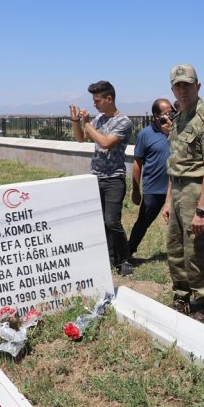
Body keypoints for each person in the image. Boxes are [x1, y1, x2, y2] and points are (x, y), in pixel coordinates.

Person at [163, 64, 204, 321]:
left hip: (196, 190)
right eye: (178, 85)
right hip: (177, 189)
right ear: (173, 89)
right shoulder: (178, 119)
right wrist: (167, 201)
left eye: (187, 84)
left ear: (198, 86)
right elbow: (174, 164)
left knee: (198, 248)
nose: (182, 90)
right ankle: (182, 295)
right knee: (175, 246)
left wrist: (201, 209)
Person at [69, 80, 134, 276]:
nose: (95, 104)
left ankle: (125, 259)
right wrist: (76, 122)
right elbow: (81, 138)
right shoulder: (98, 120)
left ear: (109, 99)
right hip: (96, 177)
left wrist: (88, 123)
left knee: (112, 220)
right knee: (101, 222)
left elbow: (105, 143)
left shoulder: (124, 122)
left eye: (98, 100)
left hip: (114, 178)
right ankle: (110, 257)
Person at [126, 98, 173, 264]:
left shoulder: (177, 131)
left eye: (172, 112)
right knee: (142, 223)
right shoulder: (145, 134)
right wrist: (136, 189)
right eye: (166, 113)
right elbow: (138, 163)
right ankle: (128, 252)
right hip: (153, 188)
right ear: (155, 116)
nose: (170, 116)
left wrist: (171, 132)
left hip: (176, 188)